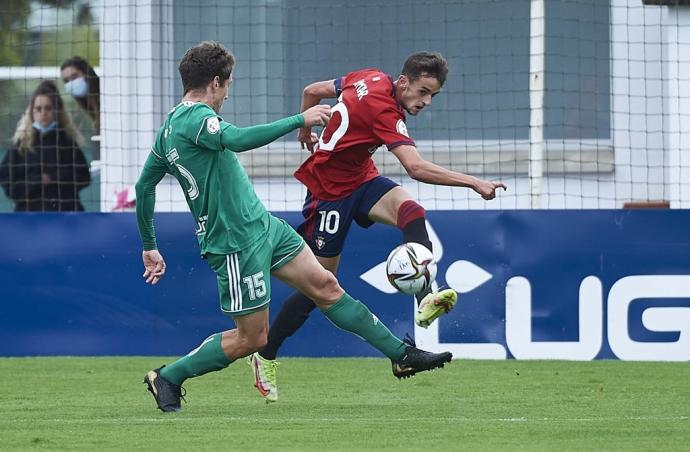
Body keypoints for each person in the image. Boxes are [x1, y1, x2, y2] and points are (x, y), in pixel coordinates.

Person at [136, 41, 452, 413]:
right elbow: (235, 140)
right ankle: (169, 376)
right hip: (234, 243)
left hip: (265, 227)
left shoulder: (168, 130)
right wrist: (298, 120)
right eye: (229, 86)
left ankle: (402, 355)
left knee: (326, 286)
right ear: (217, 82)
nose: (227, 95)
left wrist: (149, 244)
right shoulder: (196, 118)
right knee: (251, 339)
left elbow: (144, 186)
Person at [248, 52, 507, 402]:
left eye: (433, 95)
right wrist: (473, 182)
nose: (426, 102)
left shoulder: (368, 76)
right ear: (403, 82)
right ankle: (265, 354)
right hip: (329, 192)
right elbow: (414, 167)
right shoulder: (383, 109)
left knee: (411, 211)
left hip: (361, 178)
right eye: (423, 92)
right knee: (319, 287)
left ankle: (426, 293)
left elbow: (312, 91)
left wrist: (305, 131)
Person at [0, 80, 91, 211]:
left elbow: (84, 178)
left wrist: (53, 178)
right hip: (29, 218)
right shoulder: (21, 145)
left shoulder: (67, 143)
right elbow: (10, 187)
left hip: (66, 215)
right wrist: (37, 180)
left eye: (48, 108)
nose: (43, 113)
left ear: (56, 110)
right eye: (38, 109)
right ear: (32, 111)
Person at [60, 56, 100, 134]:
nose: (71, 83)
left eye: (74, 76)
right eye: (66, 80)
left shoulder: (107, 97)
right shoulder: (88, 105)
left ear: (86, 73)